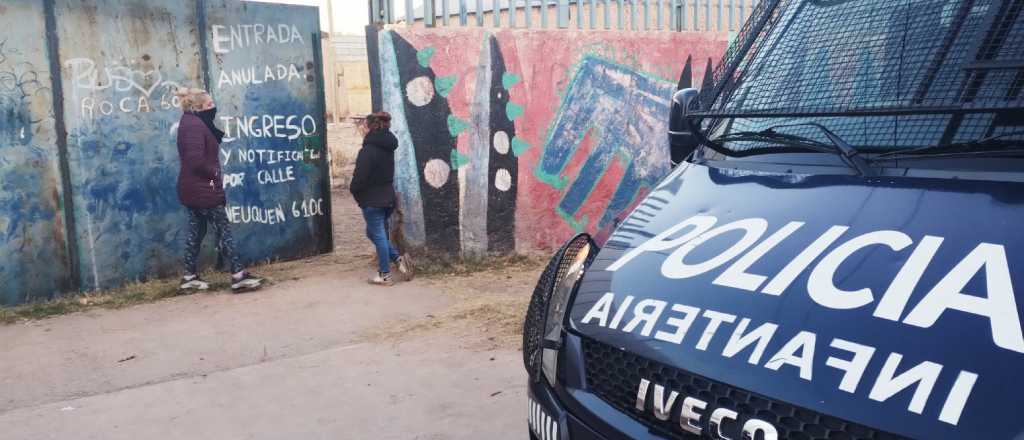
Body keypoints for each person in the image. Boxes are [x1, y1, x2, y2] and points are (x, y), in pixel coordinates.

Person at [174, 87, 263, 292]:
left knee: (196, 232)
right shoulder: (195, 125)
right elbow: (196, 162)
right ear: (198, 107)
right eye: (209, 105)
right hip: (204, 188)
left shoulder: (191, 122)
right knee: (224, 230)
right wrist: (215, 176)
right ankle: (238, 275)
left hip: (194, 188)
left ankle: (189, 277)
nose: (213, 107)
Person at [350, 112, 411, 285]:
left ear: (370, 127)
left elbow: (359, 178)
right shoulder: (388, 148)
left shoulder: (368, 151)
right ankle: (398, 260)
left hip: (372, 201)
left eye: (364, 125)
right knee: (374, 233)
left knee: (378, 235)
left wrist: (355, 191)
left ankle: (384, 274)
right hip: (388, 198)